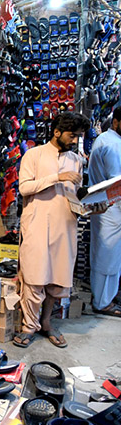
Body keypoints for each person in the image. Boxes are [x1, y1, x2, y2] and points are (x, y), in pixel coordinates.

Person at [13, 112, 90, 349]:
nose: (75, 140)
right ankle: (29, 326)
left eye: (78, 136)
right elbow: (25, 188)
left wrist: (92, 203)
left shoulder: (76, 160)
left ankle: (46, 322)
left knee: (57, 277)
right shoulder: (34, 155)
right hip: (37, 223)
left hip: (65, 224)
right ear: (57, 132)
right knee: (34, 276)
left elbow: (74, 194)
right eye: (72, 135)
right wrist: (57, 177)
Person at [88, 107, 121, 317]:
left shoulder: (111, 141)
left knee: (112, 255)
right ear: (116, 122)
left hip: (110, 205)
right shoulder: (110, 143)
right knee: (106, 255)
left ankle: (107, 297)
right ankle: (102, 302)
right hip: (109, 206)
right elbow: (116, 179)